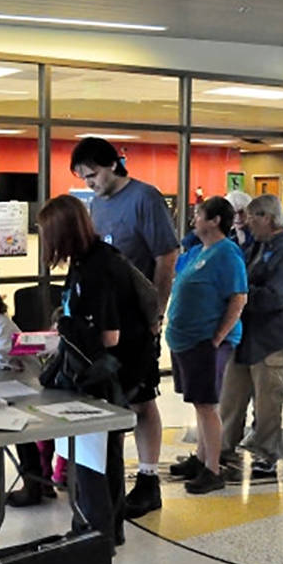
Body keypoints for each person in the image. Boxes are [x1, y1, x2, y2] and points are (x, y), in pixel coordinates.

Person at [70, 136, 179, 520]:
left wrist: (157, 313)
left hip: (138, 318)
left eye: (93, 174)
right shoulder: (97, 203)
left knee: (142, 397)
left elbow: (167, 256)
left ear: (113, 164)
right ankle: (108, 475)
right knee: (111, 396)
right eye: (83, 178)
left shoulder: (145, 199)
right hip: (107, 321)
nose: (90, 183)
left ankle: (149, 480)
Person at [38, 194, 155, 548]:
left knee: (92, 454)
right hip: (112, 369)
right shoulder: (88, 260)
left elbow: (108, 335)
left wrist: (66, 328)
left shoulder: (96, 269)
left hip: (110, 372)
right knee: (105, 451)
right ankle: (106, 528)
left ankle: (94, 533)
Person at [165, 197, 248, 493]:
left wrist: (217, 337)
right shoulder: (200, 250)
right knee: (198, 402)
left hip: (206, 341)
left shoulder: (227, 254)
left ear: (215, 220)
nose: (194, 219)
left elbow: (238, 298)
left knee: (207, 404)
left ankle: (212, 468)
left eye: (199, 214)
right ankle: (200, 458)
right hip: (186, 340)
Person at [218, 194, 283, 481]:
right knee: (231, 397)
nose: (247, 223)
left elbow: (278, 296)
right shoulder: (256, 246)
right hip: (245, 337)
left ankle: (267, 455)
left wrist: (240, 297)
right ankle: (221, 448)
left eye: (252, 218)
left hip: (273, 339)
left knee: (267, 403)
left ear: (268, 217)